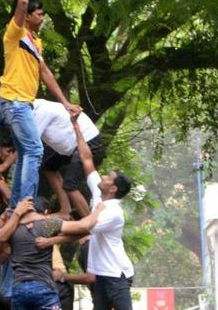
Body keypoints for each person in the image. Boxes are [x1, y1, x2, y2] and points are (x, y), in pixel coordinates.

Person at [0, 0, 81, 209]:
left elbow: (44, 73)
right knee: (34, 150)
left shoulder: (36, 43)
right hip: (14, 101)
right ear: (28, 16)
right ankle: (26, 203)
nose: (42, 18)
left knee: (26, 153)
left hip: (23, 103)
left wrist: (65, 103)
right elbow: (22, 1)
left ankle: (16, 205)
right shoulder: (15, 34)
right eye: (39, 14)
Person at [73, 120, 134, 310]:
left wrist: (50, 237)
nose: (103, 177)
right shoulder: (99, 192)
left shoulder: (113, 212)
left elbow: (81, 228)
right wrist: (76, 125)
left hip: (117, 274)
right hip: (101, 274)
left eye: (108, 177)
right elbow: (87, 160)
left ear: (113, 188)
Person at [8, 197, 104, 310]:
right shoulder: (48, 224)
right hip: (43, 287)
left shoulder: (12, 229)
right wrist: (98, 210)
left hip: (18, 288)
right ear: (46, 212)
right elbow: (84, 227)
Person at [35, 98, 105, 217]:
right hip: (72, 144)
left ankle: (89, 224)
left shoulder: (42, 111)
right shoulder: (37, 107)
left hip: (87, 141)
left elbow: (29, 143)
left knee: (70, 185)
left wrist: (4, 165)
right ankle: (65, 210)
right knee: (49, 167)